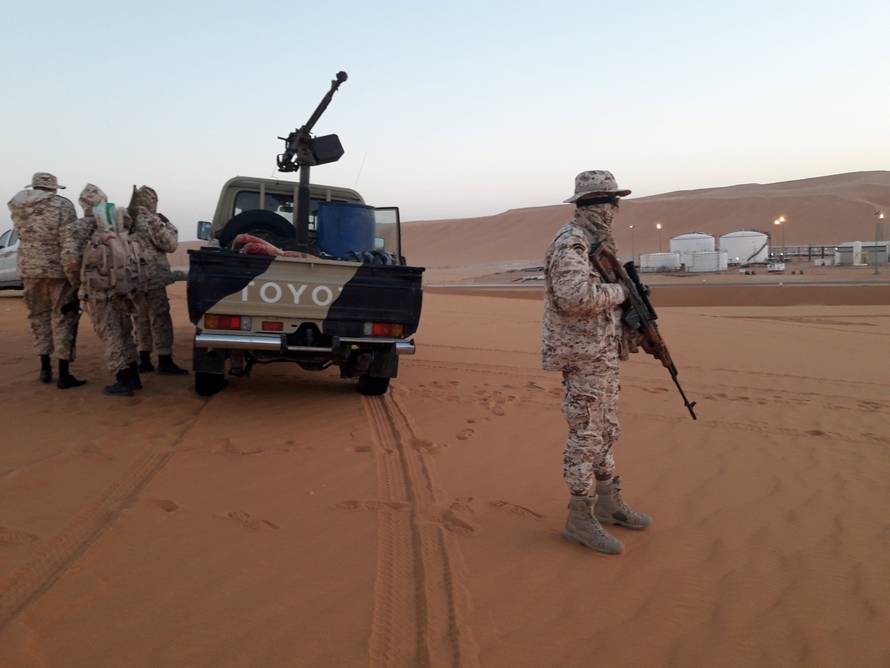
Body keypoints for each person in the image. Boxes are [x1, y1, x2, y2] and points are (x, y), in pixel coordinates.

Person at [542, 170, 651, 555]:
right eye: (611, 203)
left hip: (601, 354)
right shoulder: (571, 244)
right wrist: (622, 291)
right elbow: (574, 297)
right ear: (594, 205)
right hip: (582, 355)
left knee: (606, 429)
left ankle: (607, 500)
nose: (614, 210)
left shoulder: (595, 243)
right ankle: (579, 516)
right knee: (585, 434)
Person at [7, 172, 86, 389]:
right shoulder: (62, 205)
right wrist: (75, 278)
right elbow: (69, 243)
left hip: (29, 270)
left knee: (38, 317)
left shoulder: (17, 205)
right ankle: (63, 374)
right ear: (53, 188)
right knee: (63, 317)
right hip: (57, 270)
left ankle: (44, 368)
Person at [62, 186, 141, 396]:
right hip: (123, 285)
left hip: (99, 289)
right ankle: (134, 375)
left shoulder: (77, 228)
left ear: (83, 204)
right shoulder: (117, 223)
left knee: (109, 332)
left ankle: (122, 379)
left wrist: (77, 285)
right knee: (125, 330)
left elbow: (70, 262)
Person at [128, 185, 188, 375]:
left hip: (132, 278)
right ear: (152, 201)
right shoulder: (151, 220)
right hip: (152, 277)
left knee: (140, 318)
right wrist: (168, 224)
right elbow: (170, 244)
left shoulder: (127, 219)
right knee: (159, 318)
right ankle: (164, 360)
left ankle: (144, 359)